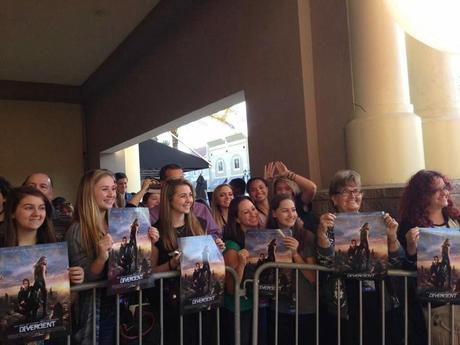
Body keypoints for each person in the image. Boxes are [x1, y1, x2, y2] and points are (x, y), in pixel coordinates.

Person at [66, 169, 157, 345]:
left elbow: (137, 263)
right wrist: (101, 257)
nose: (111, 194)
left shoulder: (118, 223)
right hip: (96, 310)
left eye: (113, 189)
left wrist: (148, 241)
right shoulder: (77, 230)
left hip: (120, 304)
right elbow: (84, 281)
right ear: (89, 193)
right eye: (104, 189)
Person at [317, 170, 403, 345]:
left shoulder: (376, 223)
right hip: (345, 298)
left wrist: (392, 236)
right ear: (334, 199)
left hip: (377, 295)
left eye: (356, 191)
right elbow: (325, 262)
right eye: (346, 191)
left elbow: (396, 260)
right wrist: (321, 234)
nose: (353, 195)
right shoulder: (328, 225)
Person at [0, 186, 84, 343]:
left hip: (49, 336)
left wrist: (75, 279)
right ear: (12, 212)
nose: (37, 214)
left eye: (41, 208)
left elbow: (69, 298)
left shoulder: (55, 248)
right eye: (28, 208)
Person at [149, 178, 224, 345]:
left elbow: (207, 260)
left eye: (190, 195)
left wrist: (217, 250)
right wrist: (171, 265)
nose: (189, 200)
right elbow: (150, 273)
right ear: (169, 200)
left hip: (202, 299)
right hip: (172, 305)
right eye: (183, 196)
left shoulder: (201, 224)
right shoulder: (156, 231)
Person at [398, 169, 460, 345]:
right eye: (436, 190)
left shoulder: (455, 219)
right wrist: (410, 248)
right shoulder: (410, 226)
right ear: (422, 196)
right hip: (435, 307)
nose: (444, 193)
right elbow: (405, 269)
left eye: (445, 187)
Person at [266, 194, 316, 345]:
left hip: (304, 305)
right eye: (285, 211)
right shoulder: (267, 236)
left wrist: (295, 253)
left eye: (293, 210)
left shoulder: (306, 236)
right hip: (278, 304)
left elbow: (312, 276)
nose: (291, 214)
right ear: (274, 213)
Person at [222, 196, 260, 345]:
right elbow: (231, 288)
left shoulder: (258, 239)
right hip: (238, 309)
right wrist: (242, 264)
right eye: (246, 212)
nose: (253, 214)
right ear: (237, 219)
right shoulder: (232, 247)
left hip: (254, 303)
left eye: (253, 209)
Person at [149, 164, 221, 238]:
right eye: (174, 181)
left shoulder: (201, 210)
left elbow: (215, 233)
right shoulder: (153, 215)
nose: (180, 182)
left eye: (182, 178)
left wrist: (213, 242)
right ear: (163, 184)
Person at [264, 161, 318, 231]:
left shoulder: (300, 199)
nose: (283, 192)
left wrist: (289, 174)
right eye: (279, 189)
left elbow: (312, 188)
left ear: (293, 190)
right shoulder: (275, 204)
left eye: (287, 188)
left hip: (307, 238)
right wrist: (265, 183)